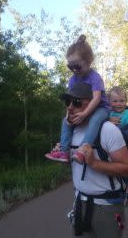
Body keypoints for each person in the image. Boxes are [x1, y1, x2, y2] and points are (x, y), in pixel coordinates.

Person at [55, 82, 128, 238]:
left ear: (91, 104)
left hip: (108, 206)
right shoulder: (71, 131)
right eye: (67, 102)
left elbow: (127, 167)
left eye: (76, 102)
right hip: (81, 204)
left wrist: (94, 163)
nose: (70, 107)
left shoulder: (108, 129)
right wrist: (63, 152)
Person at [45, 34, 110, 164]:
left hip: (100, 108)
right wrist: (69, 116)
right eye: (70, 67)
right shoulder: (72, 80)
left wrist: (84, 114)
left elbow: (96, 99)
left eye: (78, 66)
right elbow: (70, 100)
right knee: (65, 121)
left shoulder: (94, 77)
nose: (74, 70)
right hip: (82, 106)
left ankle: (83, 149)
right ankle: (64, 151)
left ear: (89, 61)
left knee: (95, 120)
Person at [108, 86, 128, 208]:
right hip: (111, 146)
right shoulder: (108, 113)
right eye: (115, 101)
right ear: (109, 102)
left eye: (122, 101)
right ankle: (118, 191)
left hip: (124, 146)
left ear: (126, 101)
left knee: (124, 169)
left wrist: (112, 125)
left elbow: (127, 129)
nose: (119, 104)